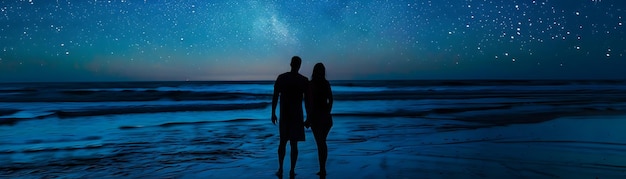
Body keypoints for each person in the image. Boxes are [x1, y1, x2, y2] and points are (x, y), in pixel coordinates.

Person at [272, 56, 309, 177]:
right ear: (299, 65)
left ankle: (281, 168)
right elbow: (308, 101)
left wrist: (273, 112)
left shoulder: (282, 78)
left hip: (285, 114)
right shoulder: (303, 80)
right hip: (297, 115)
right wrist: (308, 116)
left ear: (290, 64)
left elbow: (275, 96)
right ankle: (292, 170)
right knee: (294, 144)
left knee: (282, 142)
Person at [304, 63, 333, 176]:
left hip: (316, 118)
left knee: (320, 143)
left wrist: (308, 118)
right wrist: (328, 112)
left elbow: (307, 103)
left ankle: (322, 169)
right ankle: (322, 168)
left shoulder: (310, 85)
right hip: (325, 117)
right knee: (322, 143)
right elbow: (331, 100)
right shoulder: (325, 83)